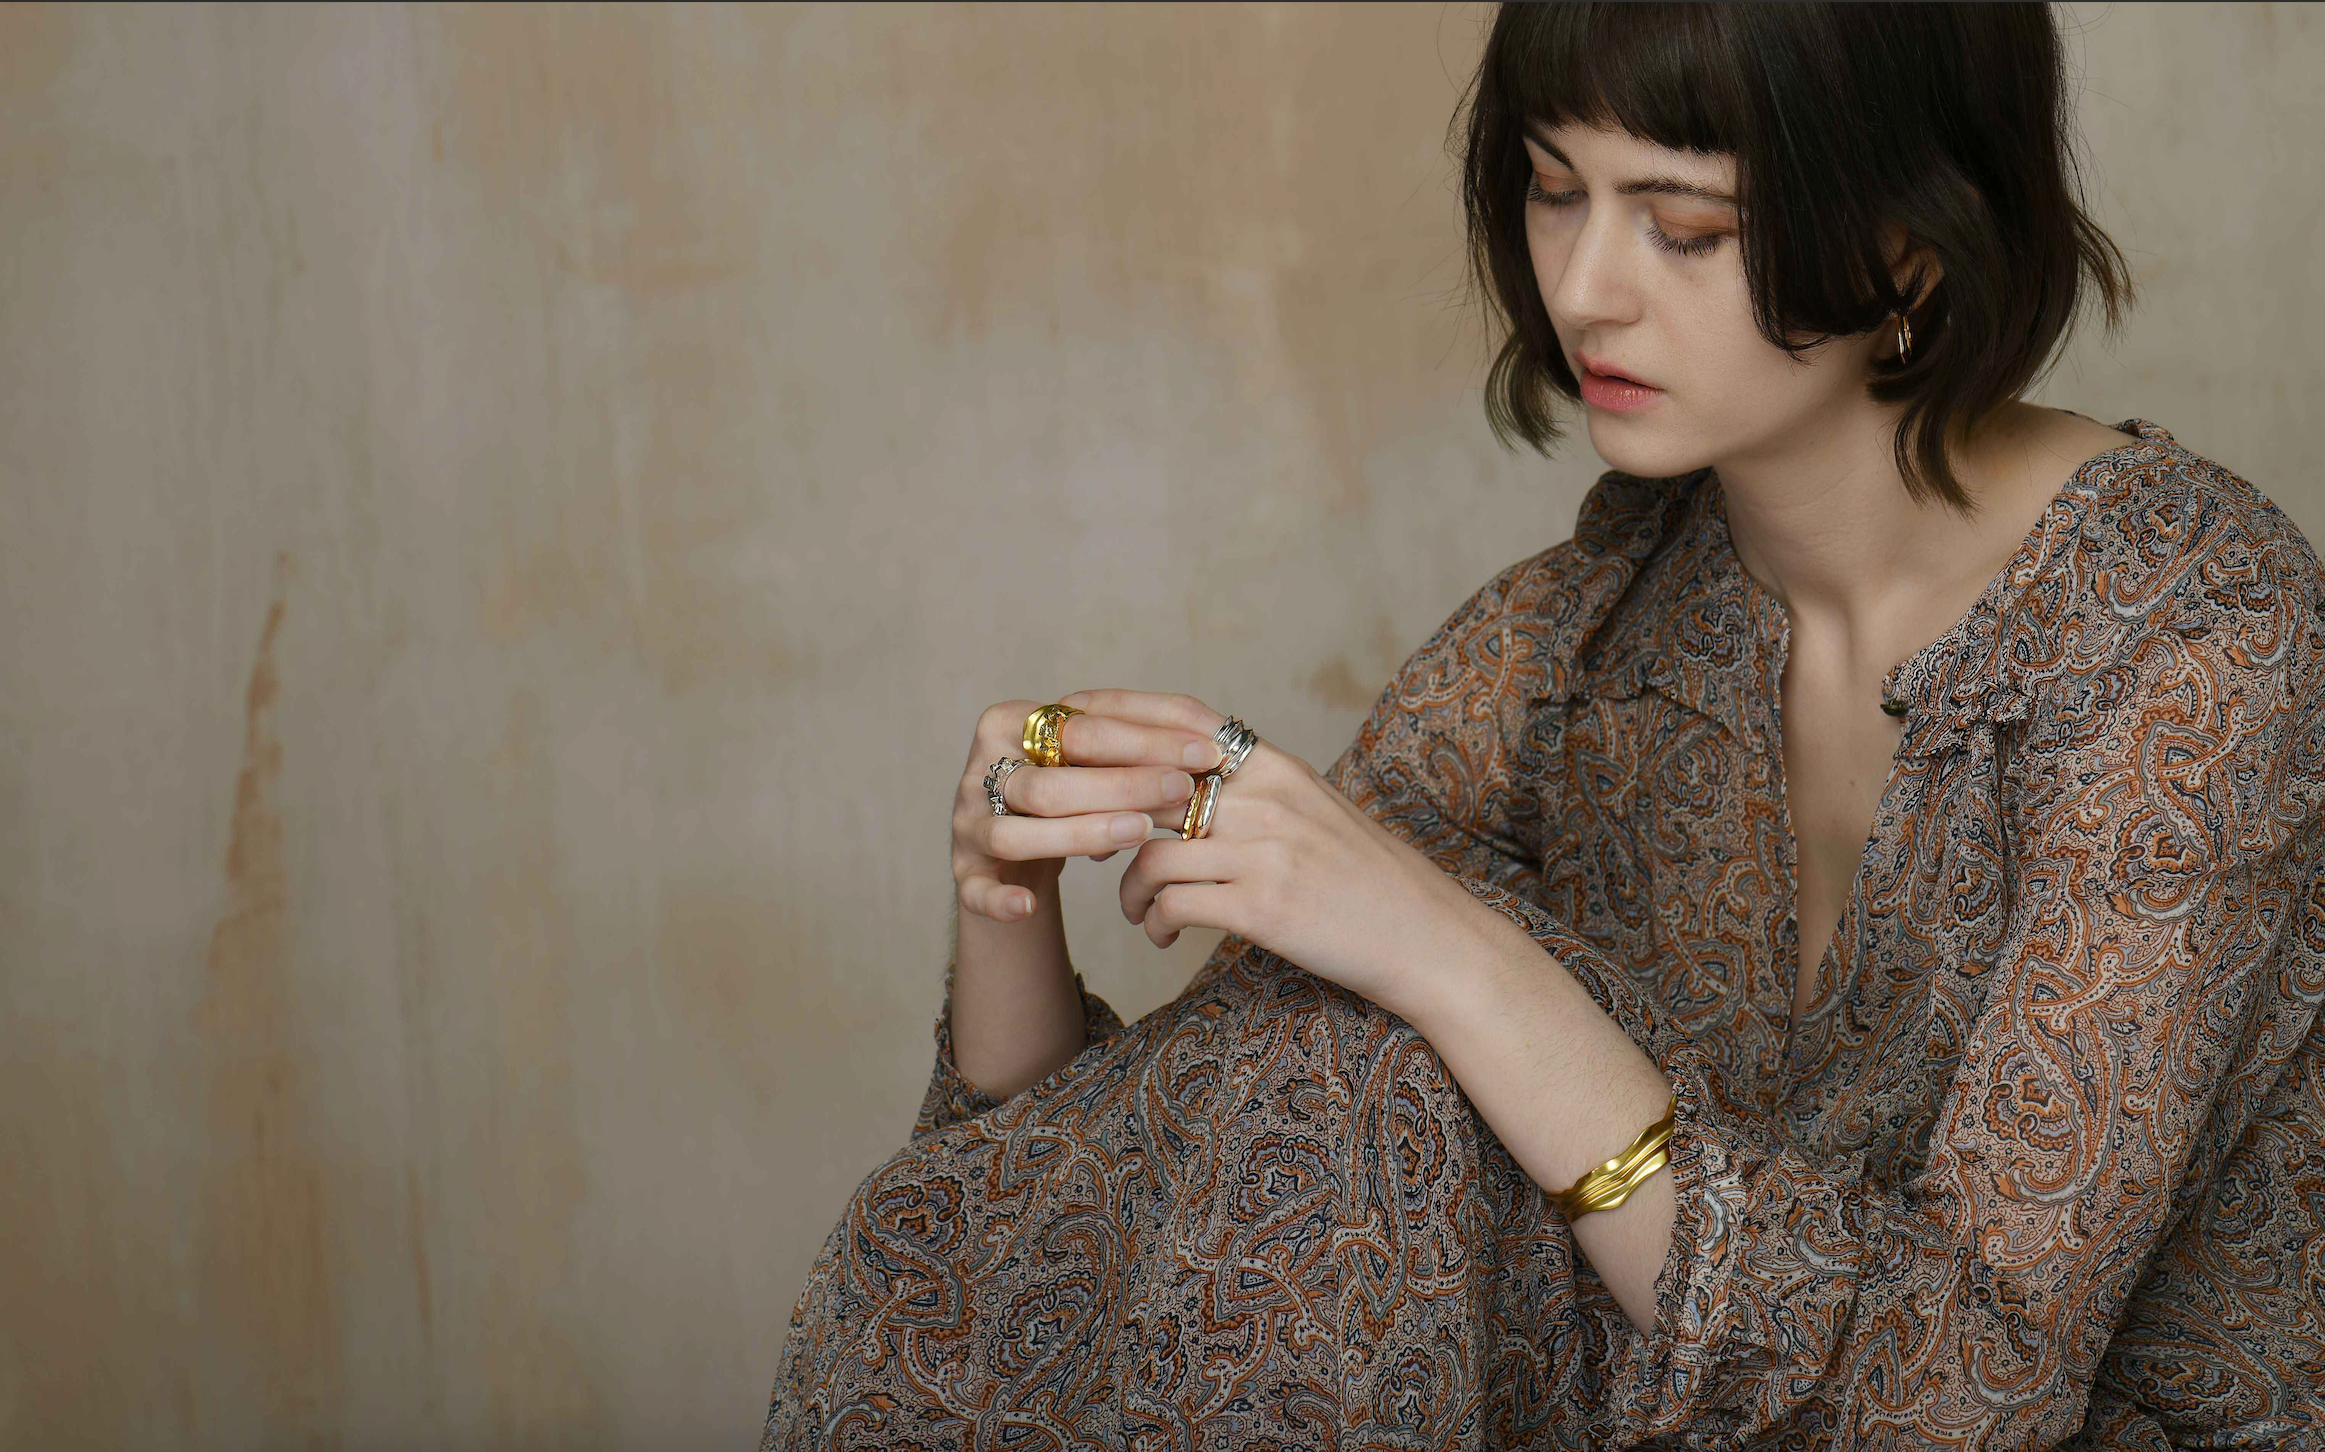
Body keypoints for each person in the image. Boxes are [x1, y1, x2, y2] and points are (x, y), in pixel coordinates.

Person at [765, 4, 2325, 1447]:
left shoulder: (2198, 639)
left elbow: (1966, 1397)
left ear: (1913, 241)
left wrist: (1456, 958)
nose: (1583, 287)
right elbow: (1164, 1182)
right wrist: (1007, 902)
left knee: (1408, 996)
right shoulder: (1577, 636)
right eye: (1552, 189)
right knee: (1330, 1058)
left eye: (1686, 225)